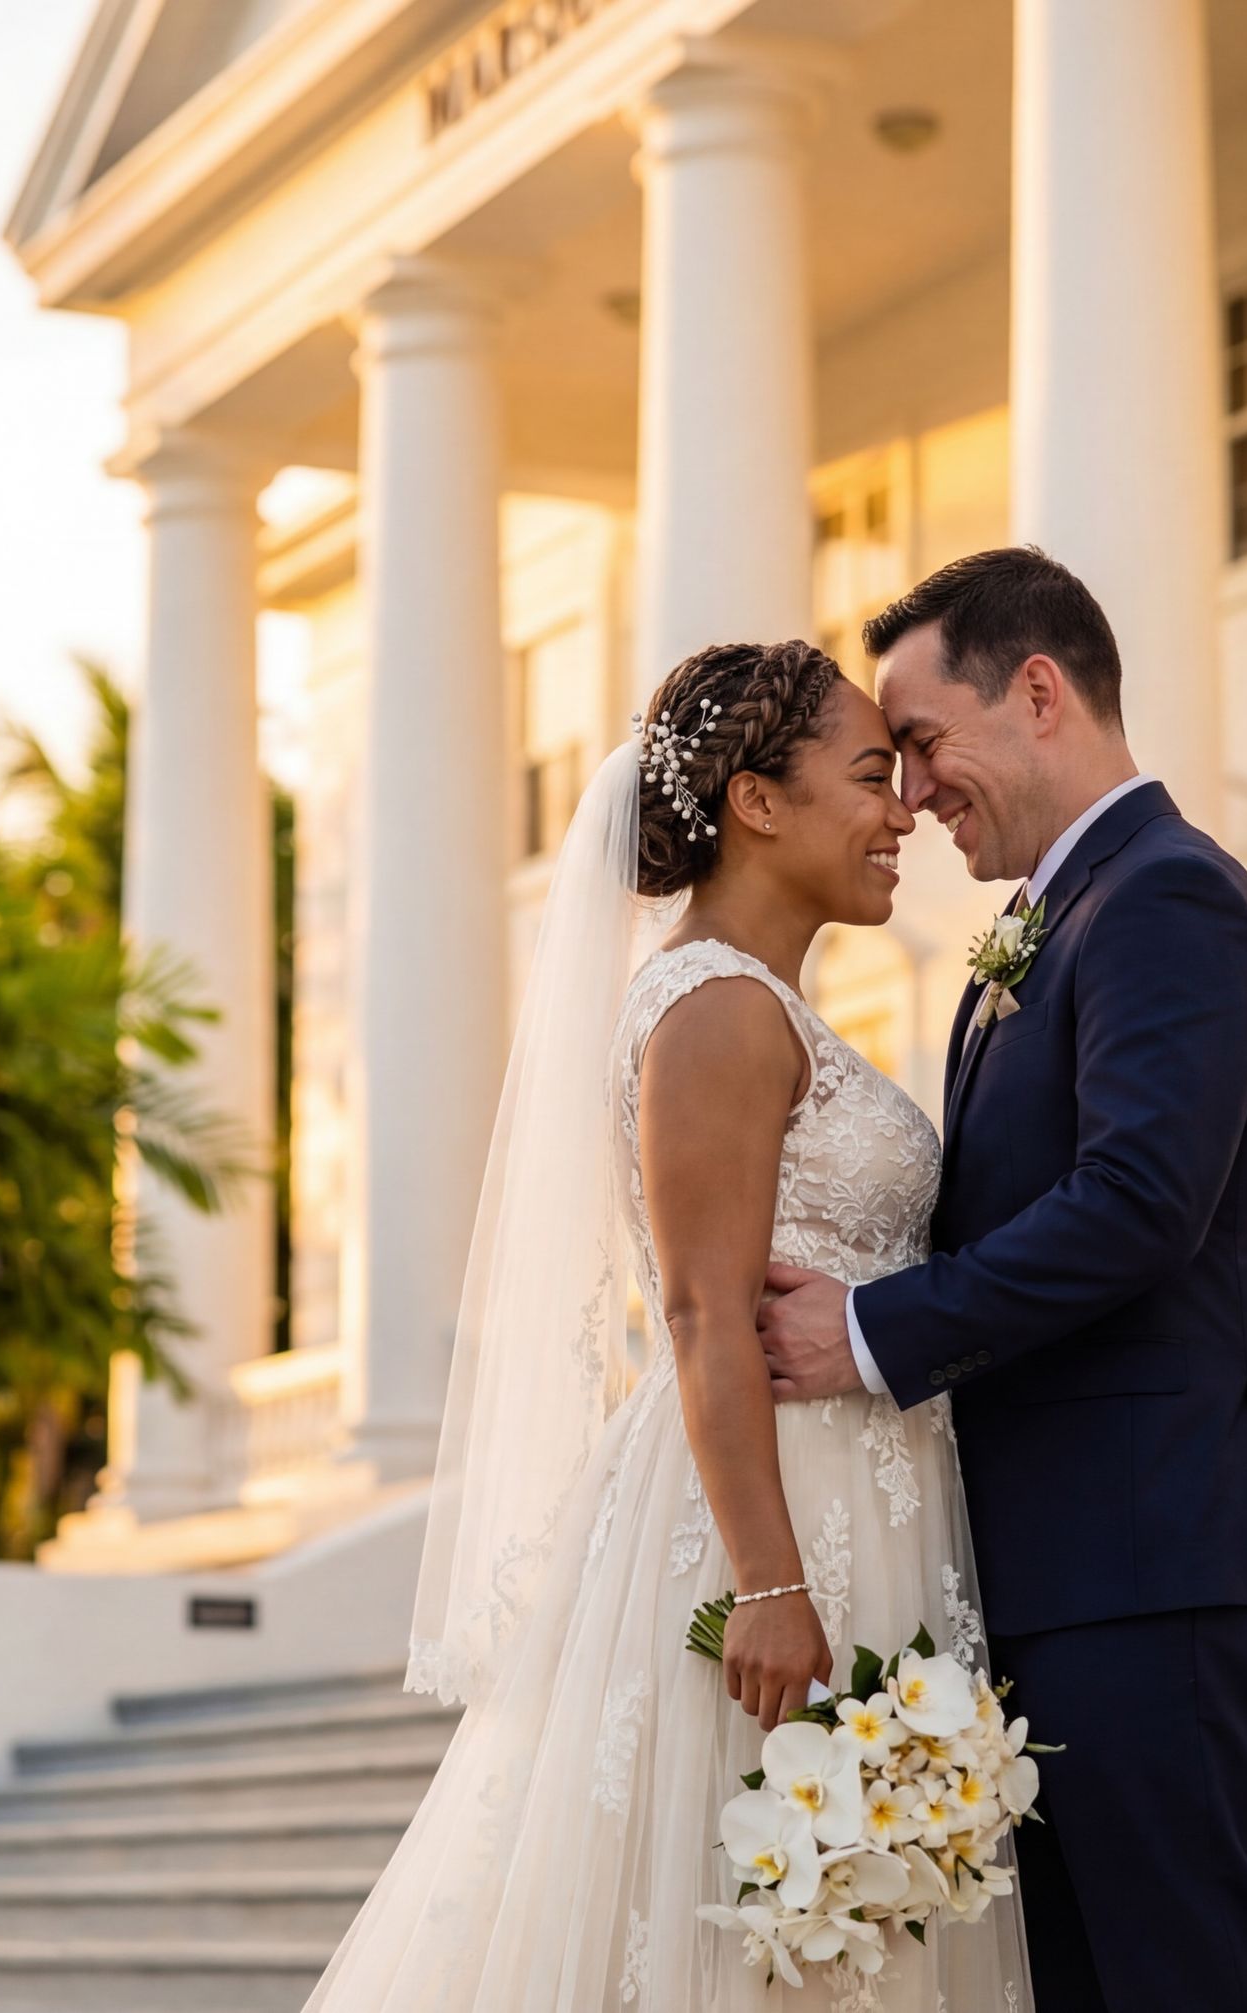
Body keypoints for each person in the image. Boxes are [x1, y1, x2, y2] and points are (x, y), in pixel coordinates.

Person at [306, 638, 1026, 2009]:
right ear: (757, 801)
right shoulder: (713, 1011)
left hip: (854, 1505)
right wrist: (767, 1580)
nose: (902, 813)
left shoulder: (760, 1004)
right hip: (767, 1530)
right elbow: (700, 1314)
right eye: (872, 776)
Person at [758, 546, 1247, 2011]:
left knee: (1183, 1974)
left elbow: (1140, 1203)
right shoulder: (1058, 918)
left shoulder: (1168, 896)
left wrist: (872, 1332)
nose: (914, 791)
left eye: (925, 743)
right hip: (1064, 1555)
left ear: (1040, 690)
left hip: (1147, 1550)